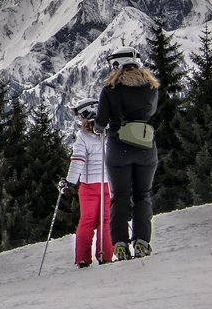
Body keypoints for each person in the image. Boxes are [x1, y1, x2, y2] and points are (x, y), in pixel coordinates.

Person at [95, 47, 160, 261]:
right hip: (145, 147)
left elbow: (100, 123)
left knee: (120, 197)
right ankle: (142, 242)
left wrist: (99, 126)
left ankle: (120, 245)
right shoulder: (151, 87)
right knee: (143, 195)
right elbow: (150, 113)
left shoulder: (110, 89)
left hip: (118, 148)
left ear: (118, 65)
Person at [63, 97, 112, 267]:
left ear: (89, 116)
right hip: (107, 185)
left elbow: (78, 161)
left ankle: (83, 258)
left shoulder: (83, 136)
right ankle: (106, 256)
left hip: (89, 186)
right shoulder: (109, 133)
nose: (80, 120)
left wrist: (69, 182)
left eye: (81, 116)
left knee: (87, 221)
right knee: (105, 221)